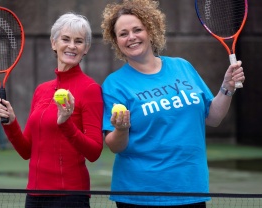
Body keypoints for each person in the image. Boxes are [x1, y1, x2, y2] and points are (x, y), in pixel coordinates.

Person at [100, 0, 245, 207]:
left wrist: (227, 87)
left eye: (137, 29)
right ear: (116, 41)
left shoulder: (182, 66)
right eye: (123, 34)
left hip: (190, 188)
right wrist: (121, 129)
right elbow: (115, 145)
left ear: (150, 30)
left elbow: (213, 117)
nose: (131, 37)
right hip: (139, 193)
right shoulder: (114, 84)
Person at [0, 12, 104, 208]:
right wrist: (11, 123)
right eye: (66, 39)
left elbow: (95, 152)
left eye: (79, 41)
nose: (72, 46)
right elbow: (26, 150)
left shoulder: (90, 89)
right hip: (34, 195)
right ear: (54, 43)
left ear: (85, 48)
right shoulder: (41, 90)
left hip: (70, 197)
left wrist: (66, 124)